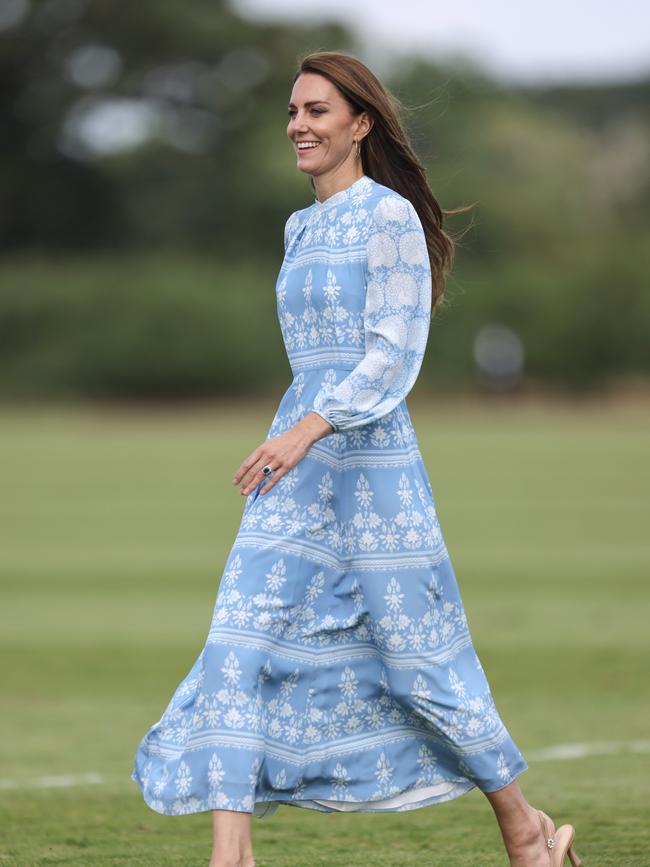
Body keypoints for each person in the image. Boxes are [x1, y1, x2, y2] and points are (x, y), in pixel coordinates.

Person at [131, 50, 582, 867]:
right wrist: (297, 430)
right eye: (293, 113)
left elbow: (392, 352)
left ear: (361, 124)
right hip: (294, 469)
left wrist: (312, 426)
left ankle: (526, 830)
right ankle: (229, 858)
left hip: (371, 467)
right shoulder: (298, 226)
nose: (299, 126)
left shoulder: (389, 217)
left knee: (420, 664)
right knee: (238, 640)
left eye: (318, 112)